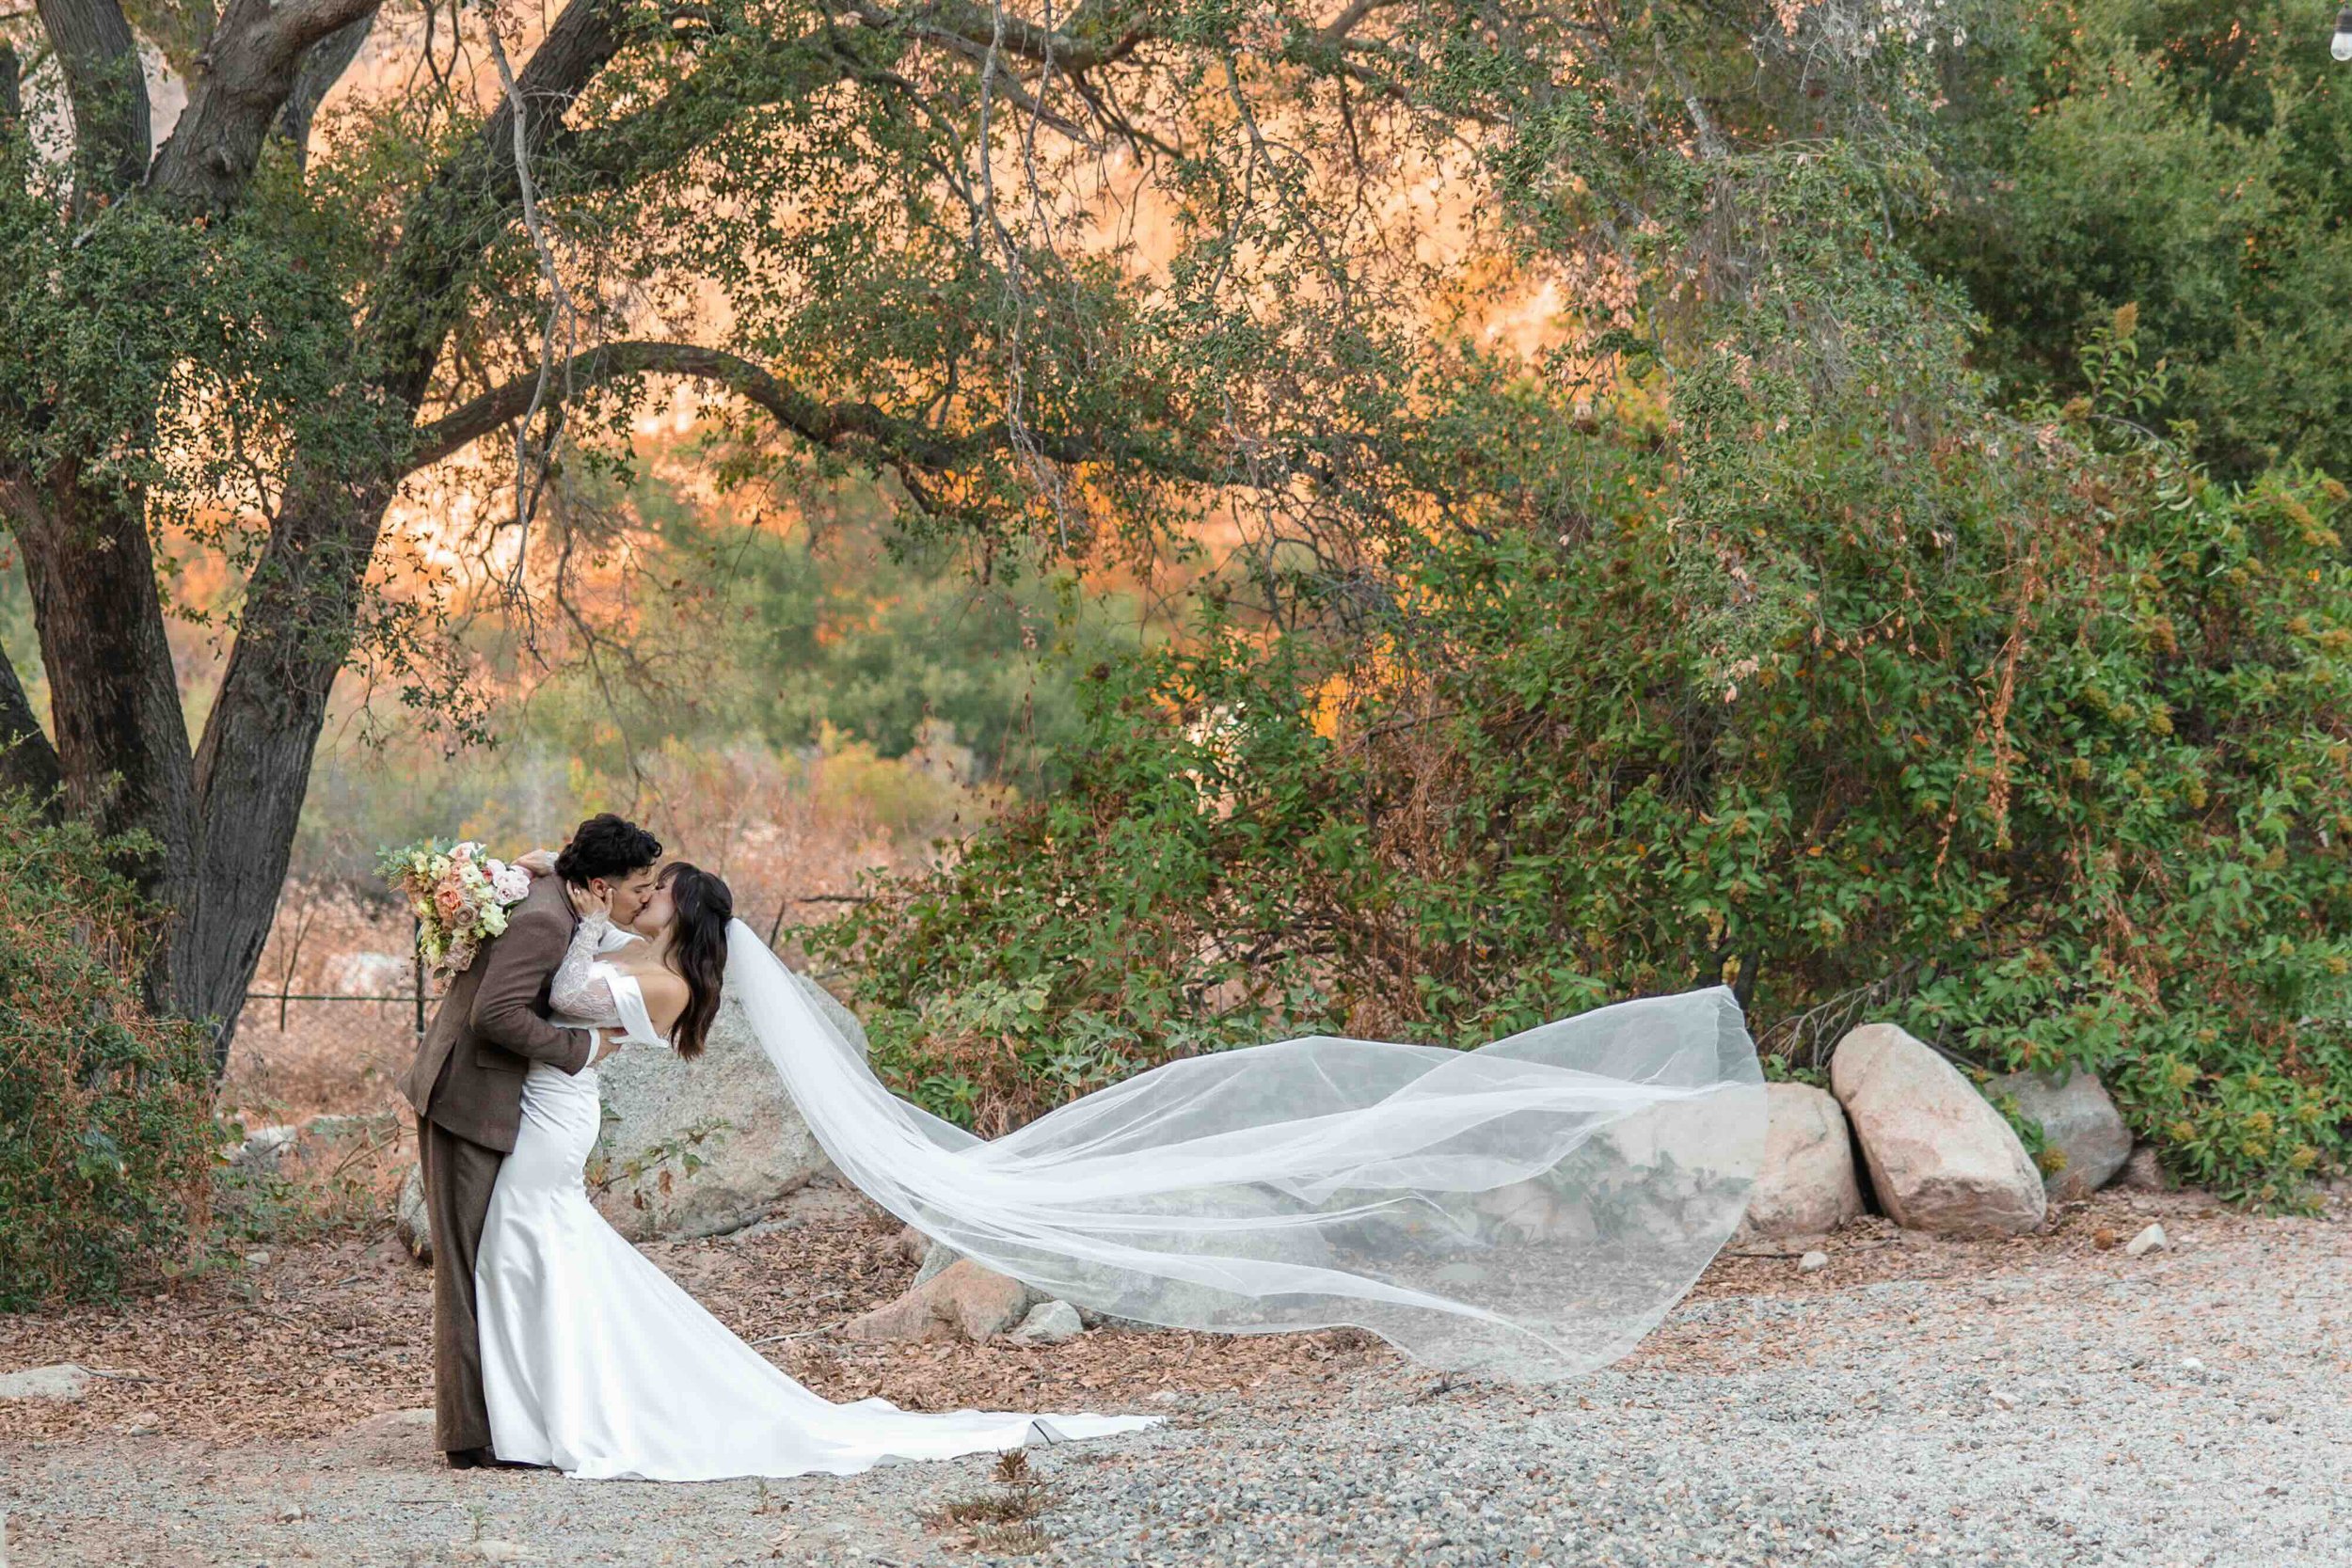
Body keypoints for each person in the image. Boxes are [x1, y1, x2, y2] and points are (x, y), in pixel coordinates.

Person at [471, 860, 1157, 1481]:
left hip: (561, 1115)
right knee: (537, 1244)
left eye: (661, 888)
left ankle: (547, 1413)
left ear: (685, 910)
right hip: (551, 1102)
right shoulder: (640, 951)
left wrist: (588, 917)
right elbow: (583, 939)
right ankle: (542, 1405)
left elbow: (566, 994)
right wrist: (553, 875)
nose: (645, 892)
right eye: (645, 885)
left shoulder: (667, 983)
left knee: (523, 1239)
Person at [393, 813, 662, 1469]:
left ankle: (503, 1415)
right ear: (599, 885)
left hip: (497, 1100)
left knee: (492, 1256)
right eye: (639, 887)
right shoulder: (545, 919)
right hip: (466, 1099)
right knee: (464, 1266)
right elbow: (496, 1014)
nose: (645, 898)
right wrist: (581, 1050)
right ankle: (467, 1436)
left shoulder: (562, 900)